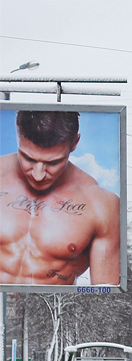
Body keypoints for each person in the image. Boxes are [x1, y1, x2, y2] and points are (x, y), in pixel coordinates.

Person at [0, 109, 121, 286]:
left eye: (53, 162)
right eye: (28, 158)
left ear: (75, 143)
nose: (38, 175)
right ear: (17, 136)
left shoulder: (101, 204)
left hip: (55, 309)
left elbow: (104, 294)